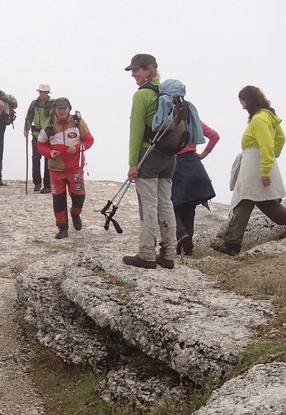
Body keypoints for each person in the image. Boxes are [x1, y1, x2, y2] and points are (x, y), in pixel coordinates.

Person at [210, 86, 286, 255]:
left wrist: (265, 170)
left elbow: (266, 143)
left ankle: (231, 244)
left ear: (249, 100)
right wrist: (273, 158)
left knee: (244, 199)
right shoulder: (269, 116)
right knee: (265, 202)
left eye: (243, 102)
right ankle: (231, 243)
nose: (242, 106)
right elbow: (280, 138)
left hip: (254, 167)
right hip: (258, 164)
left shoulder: (259, 119)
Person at [122, 53, 177, 269]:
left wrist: (132, 163)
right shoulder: (167, 92)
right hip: (169, 157)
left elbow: (136, 131)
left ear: (149, 70)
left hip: (149, 155)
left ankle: (146, 254)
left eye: (137, 70)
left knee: (148, 205)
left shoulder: (142, 95)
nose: (134, 74)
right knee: (166, 204)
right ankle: (169, 254)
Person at [36, 97, 94, 239]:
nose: (62, 111)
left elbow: (89, 140)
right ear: (54, 109)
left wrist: (77, 148)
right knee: (58, 199)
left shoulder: (77, 122)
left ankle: (75, 213)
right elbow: (40, 145)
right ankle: (62, 227)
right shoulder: (48, 124)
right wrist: (49, 153)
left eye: (64, 108)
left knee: (79, 196)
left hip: (75, 168)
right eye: (59, 108)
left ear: (69, 109)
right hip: (56, 169)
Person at [171, 121, 220, 255]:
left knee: (171, 204)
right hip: (194, 164)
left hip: (175, 165)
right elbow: (214, 136)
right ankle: (188, 245)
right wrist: (203, 154)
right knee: (189, 206)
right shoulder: (191, 118)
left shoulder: (166, 119)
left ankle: (181, 233)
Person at [24, 84, 54, 193]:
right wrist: (26, 128)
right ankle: (37, 183)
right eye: (41, 92)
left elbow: (54, 118)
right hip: (36, 134)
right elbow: (29, 116)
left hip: (48, 135)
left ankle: (47, 184)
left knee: (48, 160)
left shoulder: (53, 104)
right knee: (35, 158)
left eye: (44, 92)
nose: (42, 94)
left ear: (48, 93)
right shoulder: (34, 103)